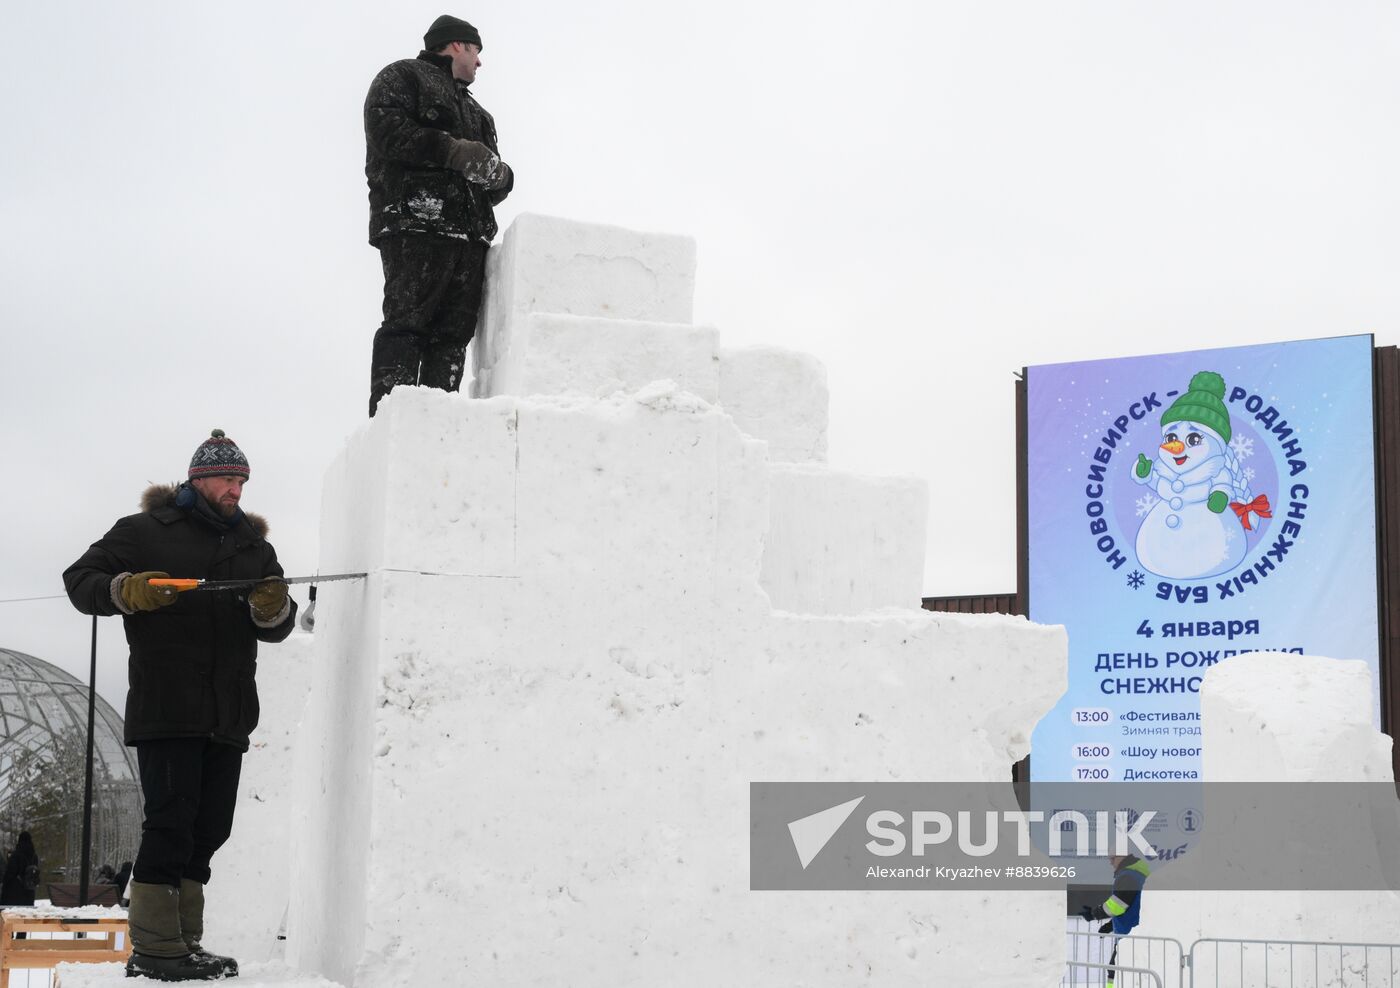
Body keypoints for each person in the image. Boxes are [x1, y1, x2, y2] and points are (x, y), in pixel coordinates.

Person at [63, 429, 298, 982]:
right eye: (225, 478)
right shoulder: (144, 531)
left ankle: (183, 943)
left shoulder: (255, 548)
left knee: (210, 829)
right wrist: (128, 590)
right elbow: (80, 581)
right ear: (196, 480)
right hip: (168, 706)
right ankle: (154, 948)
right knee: (170, 823)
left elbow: (277, 627)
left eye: (241, 480)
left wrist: (273, 608)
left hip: (229, 713)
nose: (235, 490)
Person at [363, 13, 514, 417]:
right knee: (407, 325)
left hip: (469, 239)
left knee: (451, 338)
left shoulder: (478, 113)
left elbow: (493, 181)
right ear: (458, 45)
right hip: (416, 223)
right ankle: (392, 422)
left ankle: (437, 428)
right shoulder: (402, 78)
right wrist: (453, 151)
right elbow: (387, 133)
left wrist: (500, 176)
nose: (480, 62)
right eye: (477, 51)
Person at [1080, 852, 1152, 988]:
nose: (1110, 862)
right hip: (1133, 930)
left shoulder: (1128, 877)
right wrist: (1110, 925)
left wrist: (1093, 914)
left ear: (1122, 857)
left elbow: (1117, 906)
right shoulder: (1136, 874)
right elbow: (1133, 907)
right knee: (1118, 969)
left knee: (1116, 970)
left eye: (1112, 859)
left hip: (1129, 935)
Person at [0, 831, 40, 906]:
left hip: (15, 893)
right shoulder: (34, 856)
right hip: (29, 892)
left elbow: (9, 873)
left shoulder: (16, 855)